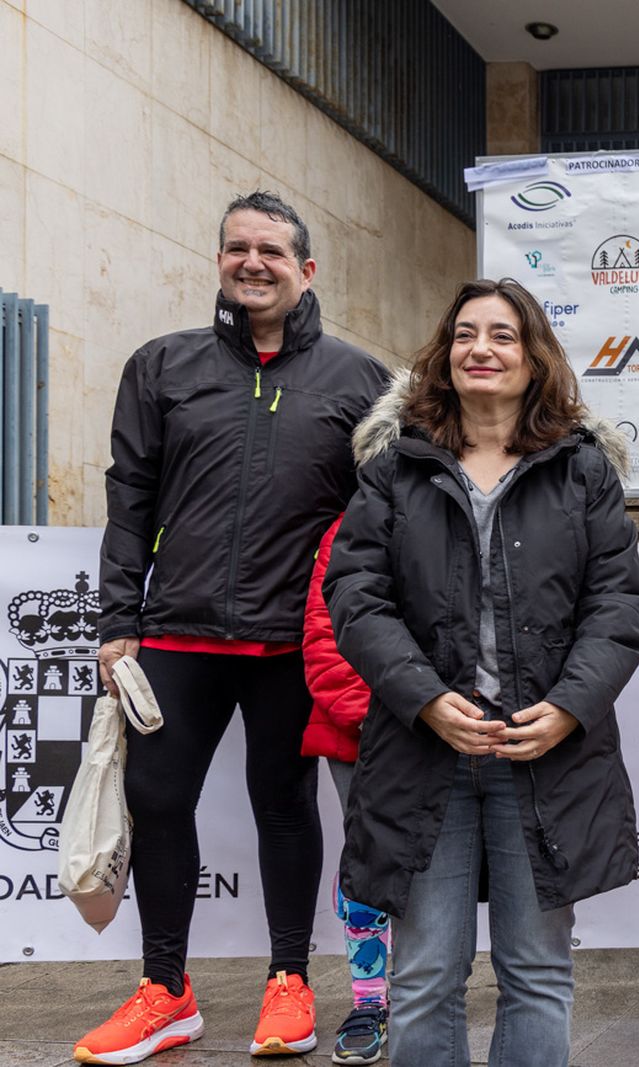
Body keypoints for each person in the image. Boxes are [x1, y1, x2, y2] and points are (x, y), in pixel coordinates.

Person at [80, 192, 389, 1064]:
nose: (253, 262)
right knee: (157, 800)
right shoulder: (161, 365)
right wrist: (117, 618)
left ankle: (289, 981)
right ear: (219, 259)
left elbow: (381, 522)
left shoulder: (360, 380)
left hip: (294, 641)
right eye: (237, 248)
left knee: (284, 805)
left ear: (306, 269)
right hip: (175, 632)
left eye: (272, 251)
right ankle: (165, 991)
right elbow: (129, 499)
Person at [323, 278, 639, 1067]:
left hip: (545, 758)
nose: (482, 348)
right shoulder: (395, 466)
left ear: (535, 357)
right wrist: (426, 698)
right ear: (445, 354)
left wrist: (568, 707)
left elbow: (616, 604)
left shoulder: (582, 470)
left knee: (537, 974)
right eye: (466, 333)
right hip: (422, 753)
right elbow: (355, 595)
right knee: (423, 977)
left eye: (503, 335)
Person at [301, 515, 390, 1064]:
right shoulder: (351, 525)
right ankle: (369, 1000)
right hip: (363, 731)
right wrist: (373, 717)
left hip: (455, 729)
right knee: (366, 862)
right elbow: (323, 630)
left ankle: (429, 989)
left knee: (447, 870)